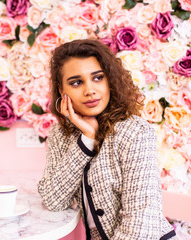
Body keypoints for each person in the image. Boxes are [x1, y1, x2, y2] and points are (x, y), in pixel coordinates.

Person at [38, 39, 176, 240]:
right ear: (62, 90)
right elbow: (53, 200)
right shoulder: (61, 135)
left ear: (109, 80)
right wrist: (87, 139)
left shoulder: (135, 133)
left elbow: (139, 224)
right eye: (76, 82)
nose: (89, 90)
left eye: (97, 78)